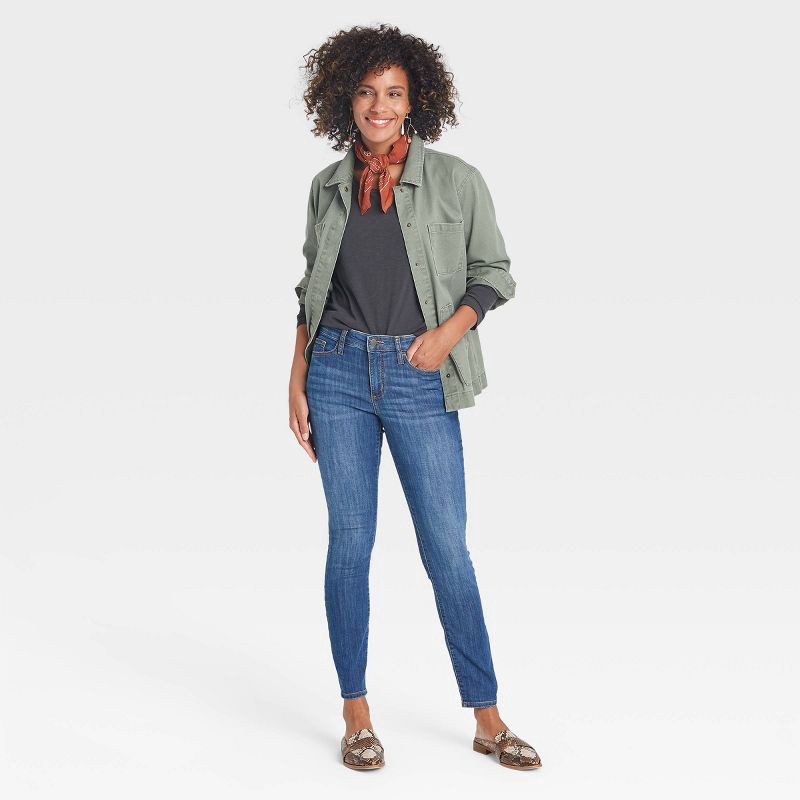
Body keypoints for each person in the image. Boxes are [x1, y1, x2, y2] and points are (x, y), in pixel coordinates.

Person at [288, 24, 541, 772]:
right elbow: (310, 291)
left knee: (446, 548)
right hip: (336, 372)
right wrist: (296, 377)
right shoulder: (327, 186)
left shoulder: (456, 181)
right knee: (350, 544)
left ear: (415, 101)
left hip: (419, 374)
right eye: (367, 92)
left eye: (394, 93)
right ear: (345, 99)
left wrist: (446, 335)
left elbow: (494, 274)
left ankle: (487, 716)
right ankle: (356, 713)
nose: (380, 106)